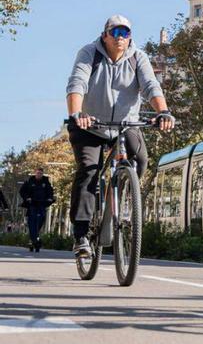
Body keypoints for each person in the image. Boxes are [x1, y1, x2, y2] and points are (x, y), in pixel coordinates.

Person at [66, 15, 175, 257]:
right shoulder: (89, 53)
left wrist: (163, 112)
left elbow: (150, 86)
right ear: (105, 35)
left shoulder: (138, 58)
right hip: (89, 125)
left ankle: (122, 198)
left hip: (125, 125)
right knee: (89, 171)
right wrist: (77, 113)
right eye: (115, 33)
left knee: (141, 159)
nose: (121, 38)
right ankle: (81, 234)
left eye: (125, 33)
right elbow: (77, 84)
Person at [18, 167, 55, 252]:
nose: (39, 175)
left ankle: (33, 238)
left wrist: (50, 198)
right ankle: (34, 240)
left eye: (41, 173)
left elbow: (50, 191)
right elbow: (22, 191)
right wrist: (27, 198)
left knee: (41, 219)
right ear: (35, 173)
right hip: (32, 204)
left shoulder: (46, 182)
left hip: (42, 204)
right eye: (37, 173)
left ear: (42, 174)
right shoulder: (29, 181)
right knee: (32, 221)